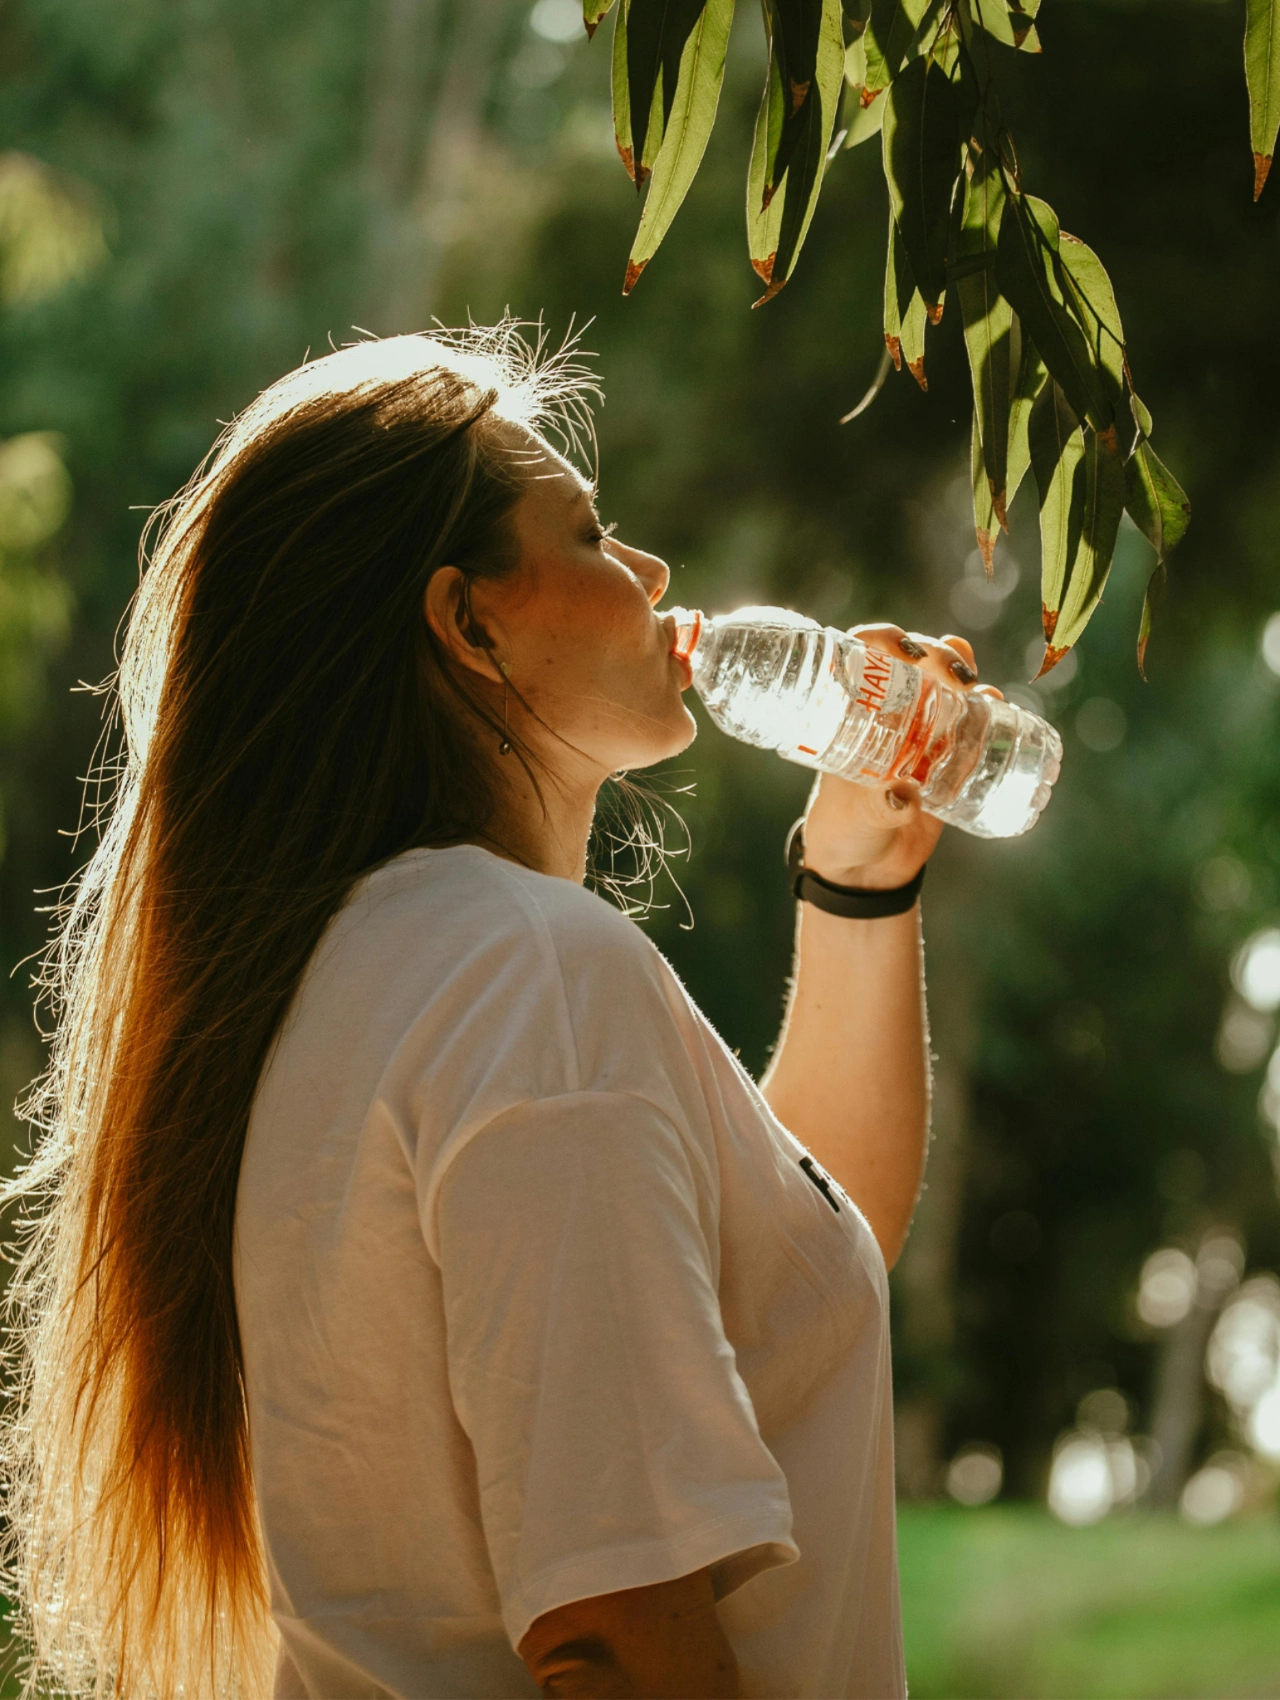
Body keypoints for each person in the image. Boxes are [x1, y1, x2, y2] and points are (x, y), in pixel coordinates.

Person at [2, 328, 1001, 1700]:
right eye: (590, 532)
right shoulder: (532, 976)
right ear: (467, 619)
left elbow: (795, 1281)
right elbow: (617, 1633)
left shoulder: (380, 967)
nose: (652, 572)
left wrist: (861, 885)